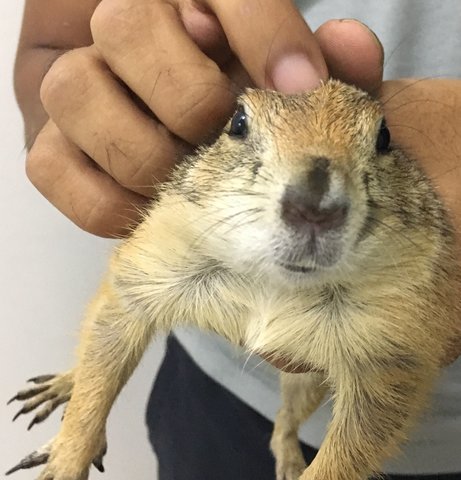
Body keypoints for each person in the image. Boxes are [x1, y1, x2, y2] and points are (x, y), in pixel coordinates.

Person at [14, 0, 461, 478]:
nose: (313, 206)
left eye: (381, 141)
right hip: (211, 389)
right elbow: (123, 306)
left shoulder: (408, 254)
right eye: (242, 127)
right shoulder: (188, 214)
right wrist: (100, 129)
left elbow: (389, 381)